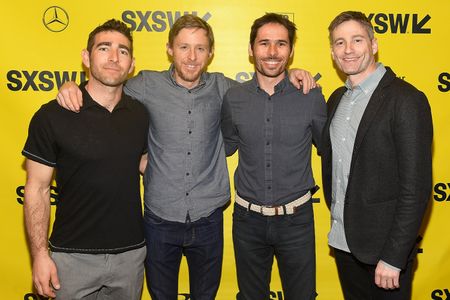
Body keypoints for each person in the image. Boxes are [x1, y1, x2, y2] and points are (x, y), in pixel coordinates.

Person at [56, 14, 317, 299]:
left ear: (211, 53)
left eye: (200, 48)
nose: (192, 57)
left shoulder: (227, 90)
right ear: (169, 49)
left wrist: (292, 74)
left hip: (208, 218)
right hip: (159, 219)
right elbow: (105, 86)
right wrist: (72, 86)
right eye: (183, 47)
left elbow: (265, 84)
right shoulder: (145, 84)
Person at [23, 19, 149, 299]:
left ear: (132, 64)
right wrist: (40, 256)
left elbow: (144, 163)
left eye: (123, 51)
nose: (114, 57)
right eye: (104, 48)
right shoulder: (52, 116)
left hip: (130, 257)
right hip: (70, 258)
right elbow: (37, 189)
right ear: (86, 56)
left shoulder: (141, 115)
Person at [321, 11, 433, 300]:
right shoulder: (336, 99)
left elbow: (416, 188)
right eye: (339, 42)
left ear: (373, 44)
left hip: (385, 256)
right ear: (332, 52)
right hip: (344, 245)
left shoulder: (406, 99)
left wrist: (395, 256)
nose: (348, 50)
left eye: (356, 40)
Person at [221, 13, 327, 300]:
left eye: (280, 44)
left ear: (291, 51)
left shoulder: (311, 96)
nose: (271, 52)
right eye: (264, 43)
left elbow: (329, 150)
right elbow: (225, 146)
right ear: (250, 49)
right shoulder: (234, 98)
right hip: (247, 220)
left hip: (297, 219)